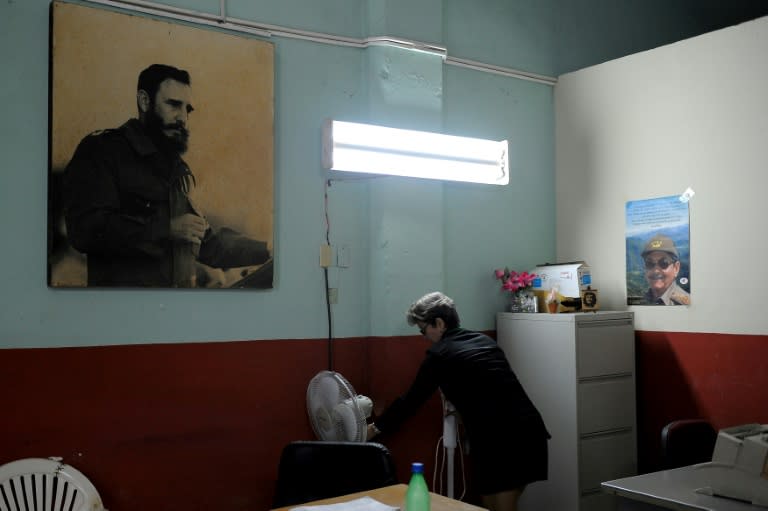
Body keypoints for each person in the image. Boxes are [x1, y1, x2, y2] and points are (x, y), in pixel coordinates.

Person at [62, 64, 270, 287]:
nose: (182, 117)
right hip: (123, 310)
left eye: (187, 109)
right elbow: (85, 229)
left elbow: (210, 246)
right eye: (173, 104)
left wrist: (267, 248)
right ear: (144, 101)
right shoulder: (103, 150)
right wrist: (166, 228)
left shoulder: (172, 168)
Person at [367, 292, 550, 511]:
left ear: (439, 323)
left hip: (502, 439)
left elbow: (411, 401)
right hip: (529, 432)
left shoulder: (439, 355)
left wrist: (375, 428)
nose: (423, 336)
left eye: (423, 330)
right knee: (492, 504)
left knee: (500, 505)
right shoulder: (484, 341)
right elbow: (493, 389)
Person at [641, 234, 690, 305]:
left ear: (676, 268)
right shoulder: (643, 300)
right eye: (649, 263)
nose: (656, 270)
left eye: (664, 263)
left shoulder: (685, 304)